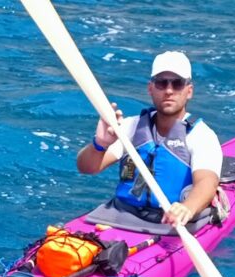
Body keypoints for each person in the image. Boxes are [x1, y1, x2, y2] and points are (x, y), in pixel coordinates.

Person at [76, 51, 223, 228]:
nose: (169, 90)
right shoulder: (130, 127)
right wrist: (100, 144)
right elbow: (86, 168)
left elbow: (207, 181)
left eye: (177, 84)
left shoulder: (201, 136)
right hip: (123, 214)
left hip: (172, 222)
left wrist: (188, 208)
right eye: (161, 83)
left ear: (189, 91)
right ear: (150, 88)